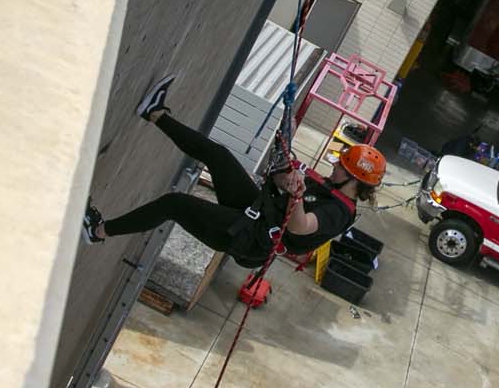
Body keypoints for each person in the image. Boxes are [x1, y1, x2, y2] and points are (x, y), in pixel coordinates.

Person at [82, 76, 384, 255]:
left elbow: (301, 226)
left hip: (248, 237)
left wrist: (296, 196)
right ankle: (154, 113)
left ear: (354, 179)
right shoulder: (330, 186)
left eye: (341, 167)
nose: (334, 167)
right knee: (219, 156)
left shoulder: (338, 212)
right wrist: (286, 141)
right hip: (258, 210)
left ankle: (98, 231)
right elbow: (281, 178)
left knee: (175, 204)